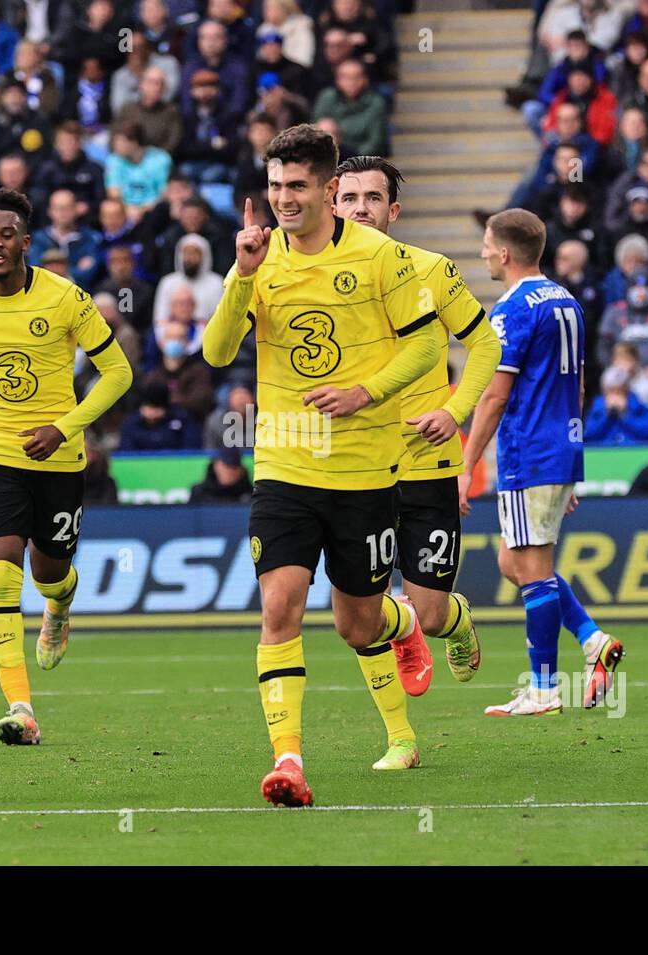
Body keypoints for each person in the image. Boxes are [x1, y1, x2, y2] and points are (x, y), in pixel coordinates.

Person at [202, 125, 441, 807]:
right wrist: (242, 277)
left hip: (364, 470)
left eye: (297, 186)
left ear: (331, 190)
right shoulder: (257, 254)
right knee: (278, 607)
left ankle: (403, 625)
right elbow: (218, 353)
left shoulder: (378, 257)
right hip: (282, 462)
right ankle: (289, 760)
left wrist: (366, 391)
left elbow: (427, 352)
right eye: (275, 186)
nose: (282, 199)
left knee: (356, 623)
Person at [0, 187, 133, 745]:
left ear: (25, 241)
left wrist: (63, 428)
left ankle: (60, 605)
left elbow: (118, 373)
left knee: (49, 574)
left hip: (60, 458)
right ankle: (21, 707)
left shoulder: (66, 298)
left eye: (6, 234)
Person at [333, 155, 499, 692]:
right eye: (351, 198)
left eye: (373, 198)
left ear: (394, 210)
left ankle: (454, 621)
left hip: (427, 460)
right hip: (356, 464)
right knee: (364, 615)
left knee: (429, 612)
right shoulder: (312, 275)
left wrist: (453, 412)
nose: (361, 209)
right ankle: (398, 736)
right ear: (333, 203)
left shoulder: (432, 270)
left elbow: (485, 345)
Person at [462, 208, 624, 720]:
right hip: (559, 446)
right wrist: (568, 459)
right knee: (516, 562)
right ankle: (592, 640)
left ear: (506, 252)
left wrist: (466, 465)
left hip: (529, 450)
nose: (484, 252)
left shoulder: (511, 310)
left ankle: (544, 688)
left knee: (531, 570)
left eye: (488, 244)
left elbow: (493, 396)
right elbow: (576, 383)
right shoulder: (566, 300)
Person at [585, 364, 648, 444]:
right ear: (604, 391)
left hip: (634, 452)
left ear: (627, 391)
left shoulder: (639, 407)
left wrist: (625, 415)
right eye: (612, 391)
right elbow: (588, 434)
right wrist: (606, 414)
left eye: (620, 391)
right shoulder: (597, 409)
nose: (616, 396)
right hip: (603, 453)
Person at [189, 446, 253, 503]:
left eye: (234, 467)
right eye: (227, 466)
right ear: (216, 466)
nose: (230, 471)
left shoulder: (251, 495)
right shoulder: (199, 493)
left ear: (241, 470)